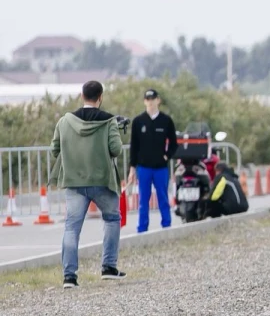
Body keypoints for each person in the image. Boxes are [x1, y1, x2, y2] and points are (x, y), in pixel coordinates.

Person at [50, 81, 127, 288]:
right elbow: (116, 149)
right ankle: (109, 267)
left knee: (72, 227)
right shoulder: (109, 121)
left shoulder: (65, 121)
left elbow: (54, 149)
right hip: (102, 181)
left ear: (82, 96)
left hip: (75, 182)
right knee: (112, 219)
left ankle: (69, 277)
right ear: (100, 97)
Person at [126, 88, 178, 234]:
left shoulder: (166, 121)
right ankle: (142, 229)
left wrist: (167, 156)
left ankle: (166, 226)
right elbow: (134, 146)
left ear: (158, 100)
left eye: (153, 99)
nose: (150, 102)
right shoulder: (138, 121)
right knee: (144, 200)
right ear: (144, 101)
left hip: (160, 167)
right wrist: (132, 168)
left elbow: (174, 143)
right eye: (148, 99)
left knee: (163, 198)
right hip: (144, 168)